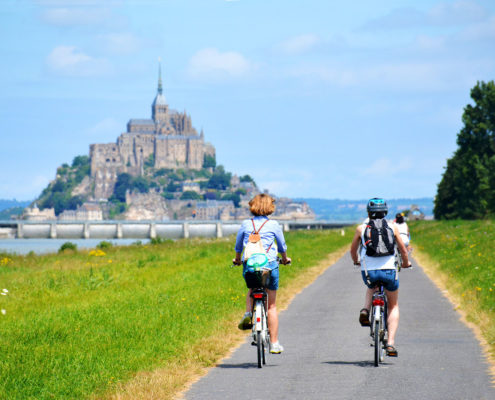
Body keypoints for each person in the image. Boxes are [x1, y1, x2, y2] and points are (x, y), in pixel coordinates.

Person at [350, 198, 411, 357]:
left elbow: (353, 251)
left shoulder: (361, 228)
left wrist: (356, 261)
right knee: (393, 305)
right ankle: (390, 343)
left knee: (371, 286)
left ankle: (366, 309)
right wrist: (406, 262)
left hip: (369, 272)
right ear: (385, 212)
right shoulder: (393, 227)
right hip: (389, 271)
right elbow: (403, 250)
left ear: (368, 212)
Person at [233, 193, 291, 354]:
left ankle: (247, 313)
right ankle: (274, 343)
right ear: (269, 207)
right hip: (270, 265)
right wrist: (285, 259)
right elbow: (282, 247)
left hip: (251, 265)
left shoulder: (246, 224)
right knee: (271, 306)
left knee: (252, 289)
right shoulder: (273, 225)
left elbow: (238, 246)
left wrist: (237, 259)